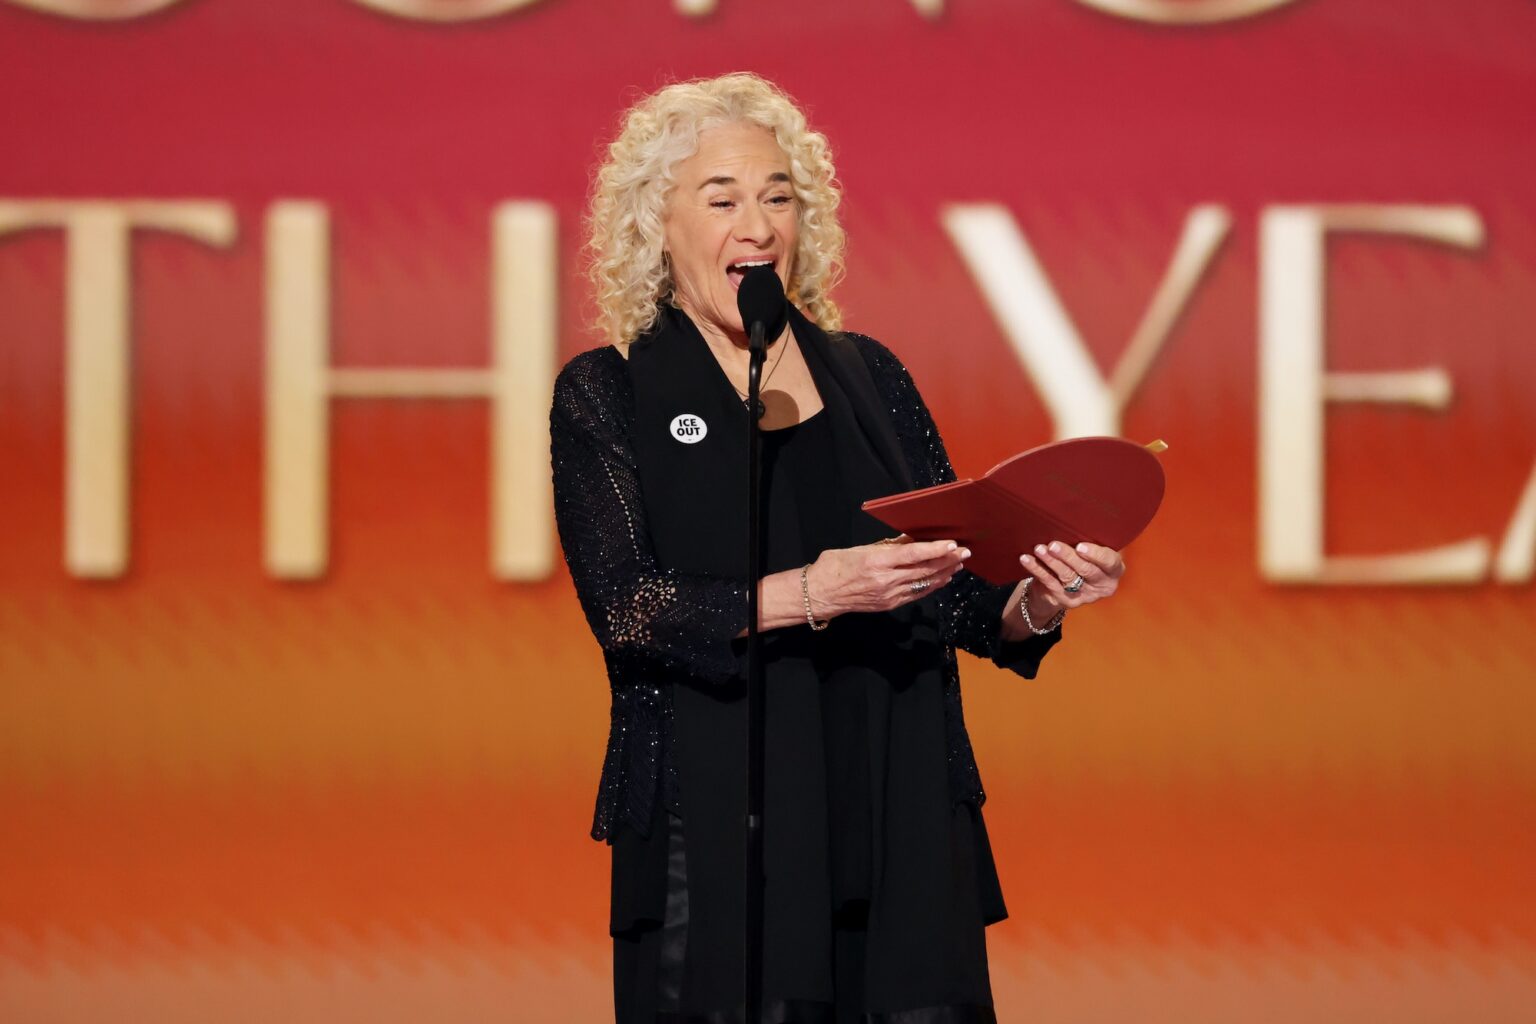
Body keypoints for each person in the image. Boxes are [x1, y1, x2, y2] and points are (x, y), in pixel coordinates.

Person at [550, 73, 1126, 1024]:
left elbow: (962, 597)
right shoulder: (609, 394)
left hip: (894, 801)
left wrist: (1040, 596)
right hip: (719, 815)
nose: (759, 224)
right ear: (657, 223)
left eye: (780, 196)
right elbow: (630, 610)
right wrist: (813, 592)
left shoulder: (872, 378)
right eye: (722, 196)